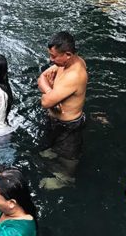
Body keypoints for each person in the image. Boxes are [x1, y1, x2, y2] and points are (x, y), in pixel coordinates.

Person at [37, 31, 88, 161]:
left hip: (68, 128)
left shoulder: (74, 75)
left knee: (66, 163)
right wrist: (50, 91)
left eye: (53, 56)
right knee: (46, 153)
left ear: (68, 54)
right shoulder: (64, 64)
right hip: (55, 121)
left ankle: (63, 179)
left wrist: (49, 96)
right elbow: (41, 78)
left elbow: (45, 103)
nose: (50, 60)